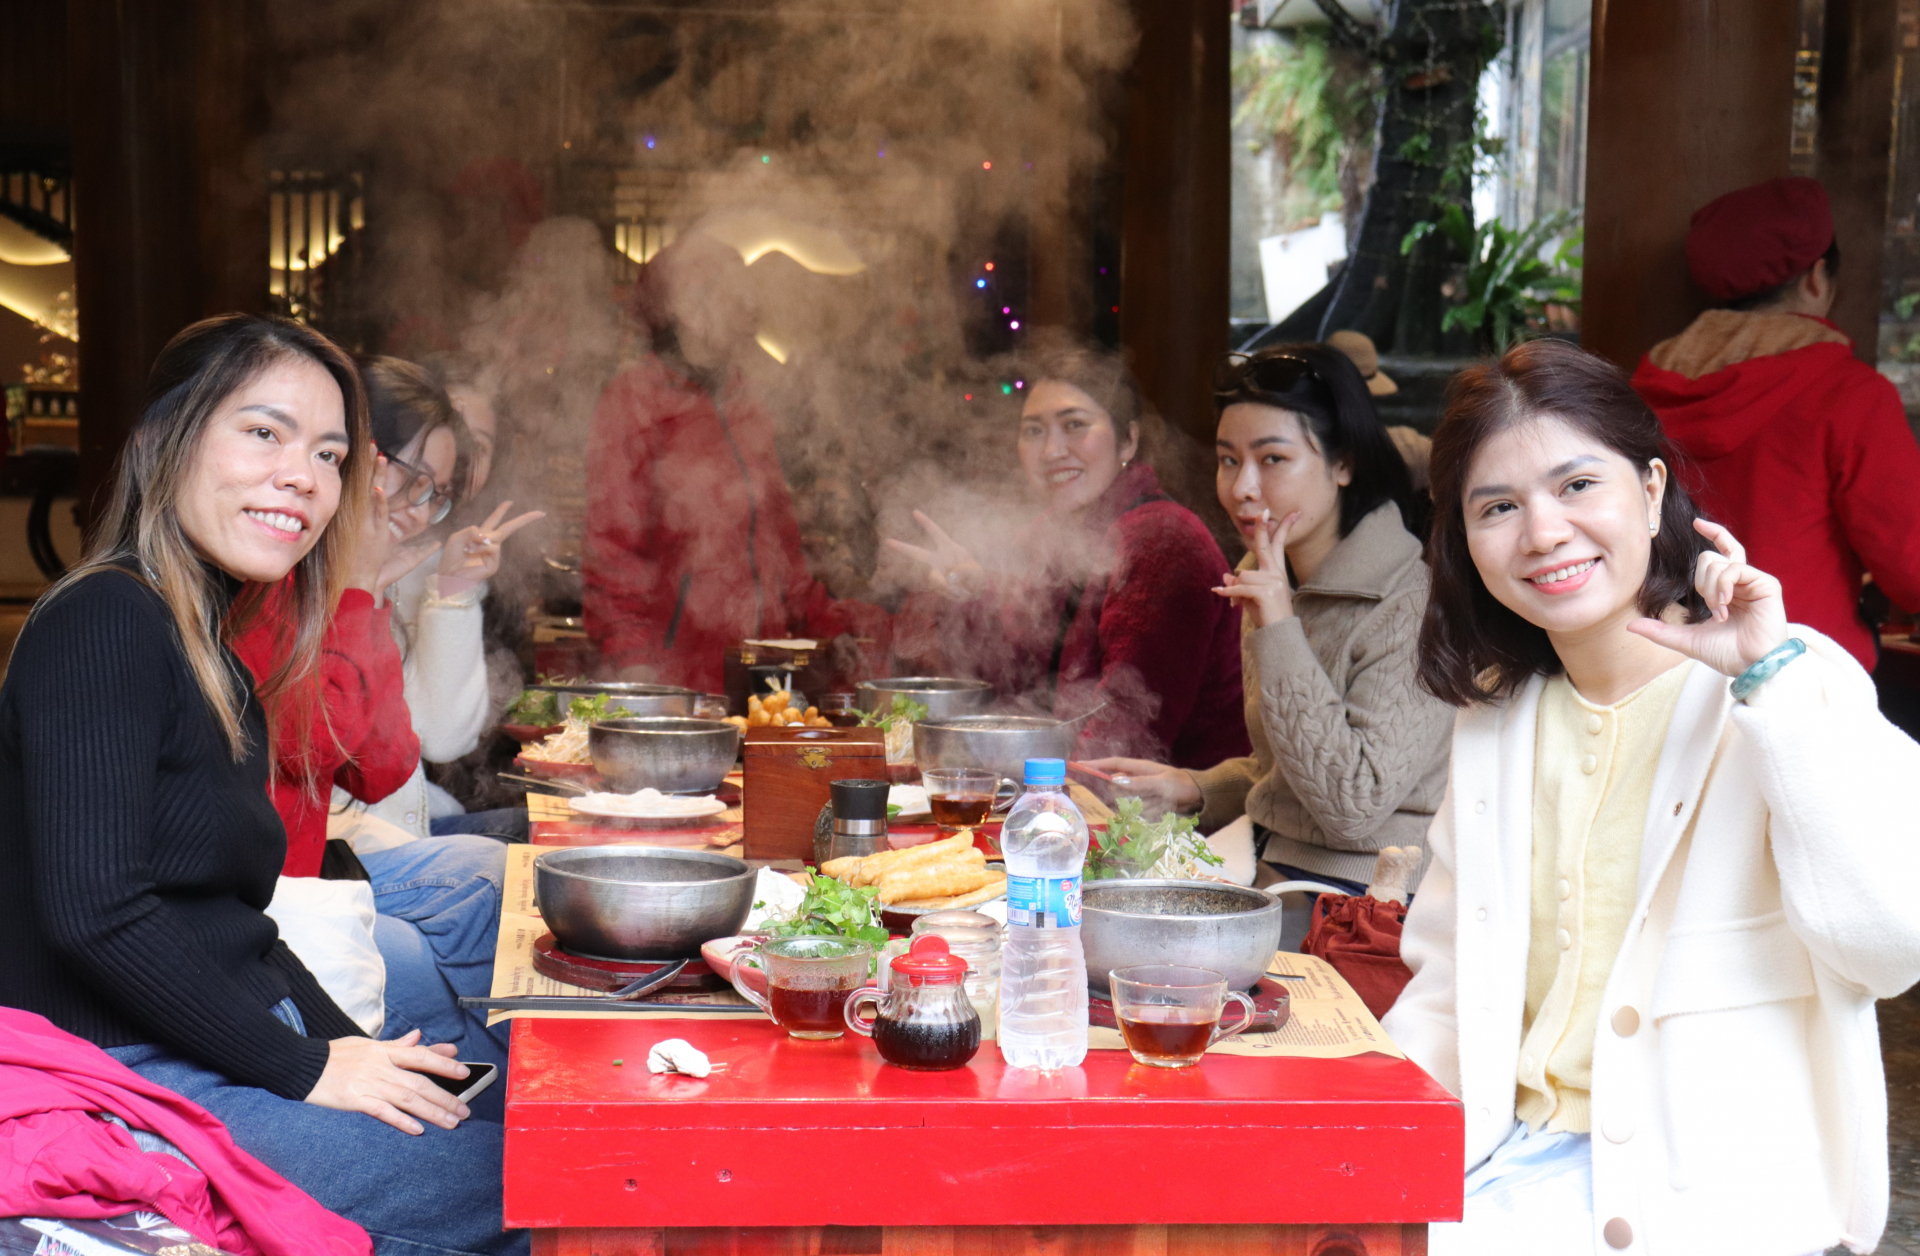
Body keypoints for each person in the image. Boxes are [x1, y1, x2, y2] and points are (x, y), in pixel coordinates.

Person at [0, 313, 524, 1256]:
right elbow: (97, 915)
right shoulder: (105, 620)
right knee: (540, 1197)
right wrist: (303, 1068)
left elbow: (239, 924)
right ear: (169, 435)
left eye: (328, 454)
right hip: (125, 1073)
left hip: (207, 1039)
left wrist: (339, 1047)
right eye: (265, 432)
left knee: (523, 1141)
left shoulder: (210, 647)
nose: (305, 477)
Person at [1383, 338, 1920, 1255]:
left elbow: (1889, 949)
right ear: (1465, 543)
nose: (1544, 532)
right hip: (1502, 1166)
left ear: (1653, 490)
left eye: (1578, 485)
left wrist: (1769, 685)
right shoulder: (1499, 721)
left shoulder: (1795, 682)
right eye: (1498, 507)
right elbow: (1444, 990)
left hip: (1707, 1200)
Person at [1085, 343, 1451, 892]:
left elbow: (1351, 805)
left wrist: (1279, 625)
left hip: (1371, 900)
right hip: (1274, 868)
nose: (1242, 487)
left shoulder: (1411, 601)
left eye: (1272, 459)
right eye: (1229, 459)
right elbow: (1283, 770)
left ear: (1343, 461)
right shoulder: (1268, 571)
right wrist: (1193, 788)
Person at [888, 341, 1248, 768]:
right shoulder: (1049, 535)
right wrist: (971, 592)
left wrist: (1040, 810)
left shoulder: (1163, 540)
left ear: (1128, 441)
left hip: (1178, 823)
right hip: (1065, 788)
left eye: (1074, 424)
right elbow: (1013, 684)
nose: (1051, 451)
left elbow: (1125, 727)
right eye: (1034, 430)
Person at [1632, 176, 1920, 672]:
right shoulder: (1850, 395)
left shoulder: (1641, 391)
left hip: (1665, 672)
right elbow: (1912, 573)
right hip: (1805, 678)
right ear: (1816, 277)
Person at [584, 232, 888, 692]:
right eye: (736, 295)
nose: (751, 312)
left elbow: (781, 545)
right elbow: (612, 558)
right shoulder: (633, 401)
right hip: (678, 681)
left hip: (763, 673)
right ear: (688, 308)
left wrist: (826, 626)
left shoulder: (745, 399)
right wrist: (636, 668)